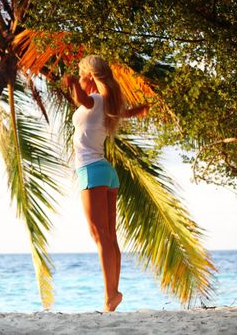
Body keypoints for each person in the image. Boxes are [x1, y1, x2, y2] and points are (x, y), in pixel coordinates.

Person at [62, 55, 149, 312]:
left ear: (90, 76)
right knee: (109, 238)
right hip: (106, 172)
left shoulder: (96, 100)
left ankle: (110, 295)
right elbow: (125, 112)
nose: (79, 79)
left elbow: (81, 99)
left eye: (80, 75)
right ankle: (113, 294)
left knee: (100, 236)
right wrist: (138, 110)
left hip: (92, 171)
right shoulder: (107, 103)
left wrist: (72, 85)